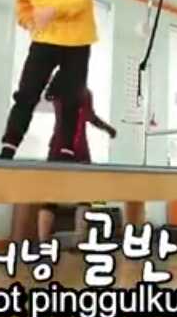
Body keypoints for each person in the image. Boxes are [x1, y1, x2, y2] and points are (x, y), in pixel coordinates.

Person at [0, 0, 97, 161]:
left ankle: (66, 150)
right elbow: (22, 5)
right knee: (26, 94)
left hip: (78, 40)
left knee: (71, 98)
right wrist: (29, 21)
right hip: (44, 41)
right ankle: (8, 147)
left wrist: (54, 9)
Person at [37, 74, 117, 241]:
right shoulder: (77, 91)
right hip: (71, 148)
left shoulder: (72, 91)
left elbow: (89, 116)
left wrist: (107, 128)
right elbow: (89, 116)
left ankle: (60, 242)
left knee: (64, 198)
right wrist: (108, 129)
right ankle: (66, 242)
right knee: (72, 197)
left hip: (65, 148)